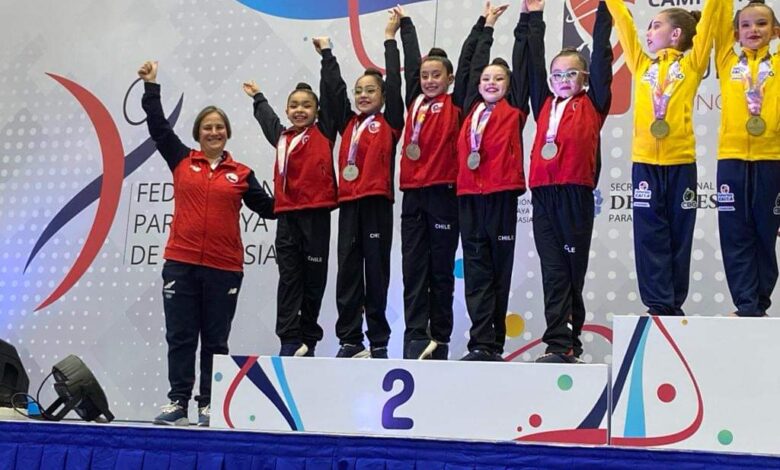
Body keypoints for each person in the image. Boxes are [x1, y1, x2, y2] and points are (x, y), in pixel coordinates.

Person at [137, 61, 275, 427]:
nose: (214, 132)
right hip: (181, 265)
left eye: (219, 127)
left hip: (224, 268)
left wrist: (306, 194)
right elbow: (158, 127)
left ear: (227, 133)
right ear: (198, 133)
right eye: (207, 127)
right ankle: (178, 402)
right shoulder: (181, 159)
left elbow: (270, 208)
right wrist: (151, 86)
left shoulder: (242, 174)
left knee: (216, 341)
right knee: (181, 337)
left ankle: (209, 404)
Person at [604, 0, 722, 316]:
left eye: (656, 26)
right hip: (644, 164)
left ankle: (674, 303)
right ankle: (657, 305)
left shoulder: (693, 63)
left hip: (681, 164)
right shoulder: (642, 64)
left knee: (679, 236)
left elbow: (709, 22)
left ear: (676, 34)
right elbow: (624, 24)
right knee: (648, 236)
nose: (648, 32)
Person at [394, 3, 487, 360]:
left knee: (441, 270)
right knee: (413, 269)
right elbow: (409, 60)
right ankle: (415, 336)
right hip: (413, 196)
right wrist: (406, 25)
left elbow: (469, 64)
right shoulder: (413, 102)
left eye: (437, 75)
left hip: (444, 194)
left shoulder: (457, 103)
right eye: (425, 75)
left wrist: (483, 26)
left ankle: (440, 338)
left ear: (449, 79)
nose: (429, 80)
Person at [521, 0, 612, 362]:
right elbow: (532, 63)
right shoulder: (543, 102)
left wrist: (605, 9)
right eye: (557, 74)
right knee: (553, 272)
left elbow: (602, 54)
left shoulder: (595, 102)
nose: (562, 80)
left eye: (571, 74)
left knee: (572, 273)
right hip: (543, 195)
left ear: (585, 78)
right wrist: (535, 17)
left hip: (576, 194)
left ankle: (569, 341)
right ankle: (558, 343)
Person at [314, 9, 405, 359]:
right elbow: (334, 93)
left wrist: (389, 40)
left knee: (376, 274)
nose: (363, 95)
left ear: (382, 95)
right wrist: (327, 55)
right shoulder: (348, 124)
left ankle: (379, 341)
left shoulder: (390, 122)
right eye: (359, 91)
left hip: (377, 203)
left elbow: (395, 85)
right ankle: (350, 340)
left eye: (370, 90)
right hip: (349, 205)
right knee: (348, 274)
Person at [242, 79, 338, 355]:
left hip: (316, 216)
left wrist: (327, 60)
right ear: (287, 110)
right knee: (289, 279)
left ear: (317, 111)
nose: (299, 110)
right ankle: (289, 339)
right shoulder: (282, 138)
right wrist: (258, 97)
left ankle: (309, 339)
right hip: (287, 218)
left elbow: (331, 97)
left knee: (314, 280)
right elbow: (268, 121)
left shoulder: (323, 132)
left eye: (306, 106)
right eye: (294, 106)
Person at [457, 3, 530, 361]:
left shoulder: (515, 110)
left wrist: (527, 20)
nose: (490, 83)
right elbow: (471, 66)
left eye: (498, 79)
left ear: (509, 86)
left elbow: (525, 62)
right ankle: (479, 342)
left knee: (498, 272)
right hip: (469, 197)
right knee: (476, 273)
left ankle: (494, 343)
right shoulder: (469, 108)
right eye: (486, 79)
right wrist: (486, 27)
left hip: (501, 197)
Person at [714, 0, 780, 317]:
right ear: (735, 33)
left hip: (772, 159)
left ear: (776, 31)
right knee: (735, 235)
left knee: (765, 235)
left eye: (762, 23)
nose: (753, 29)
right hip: (731, 160)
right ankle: (745, 305)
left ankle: (760, 304)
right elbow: (717, 20)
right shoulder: (726, 60)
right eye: (746, 24)